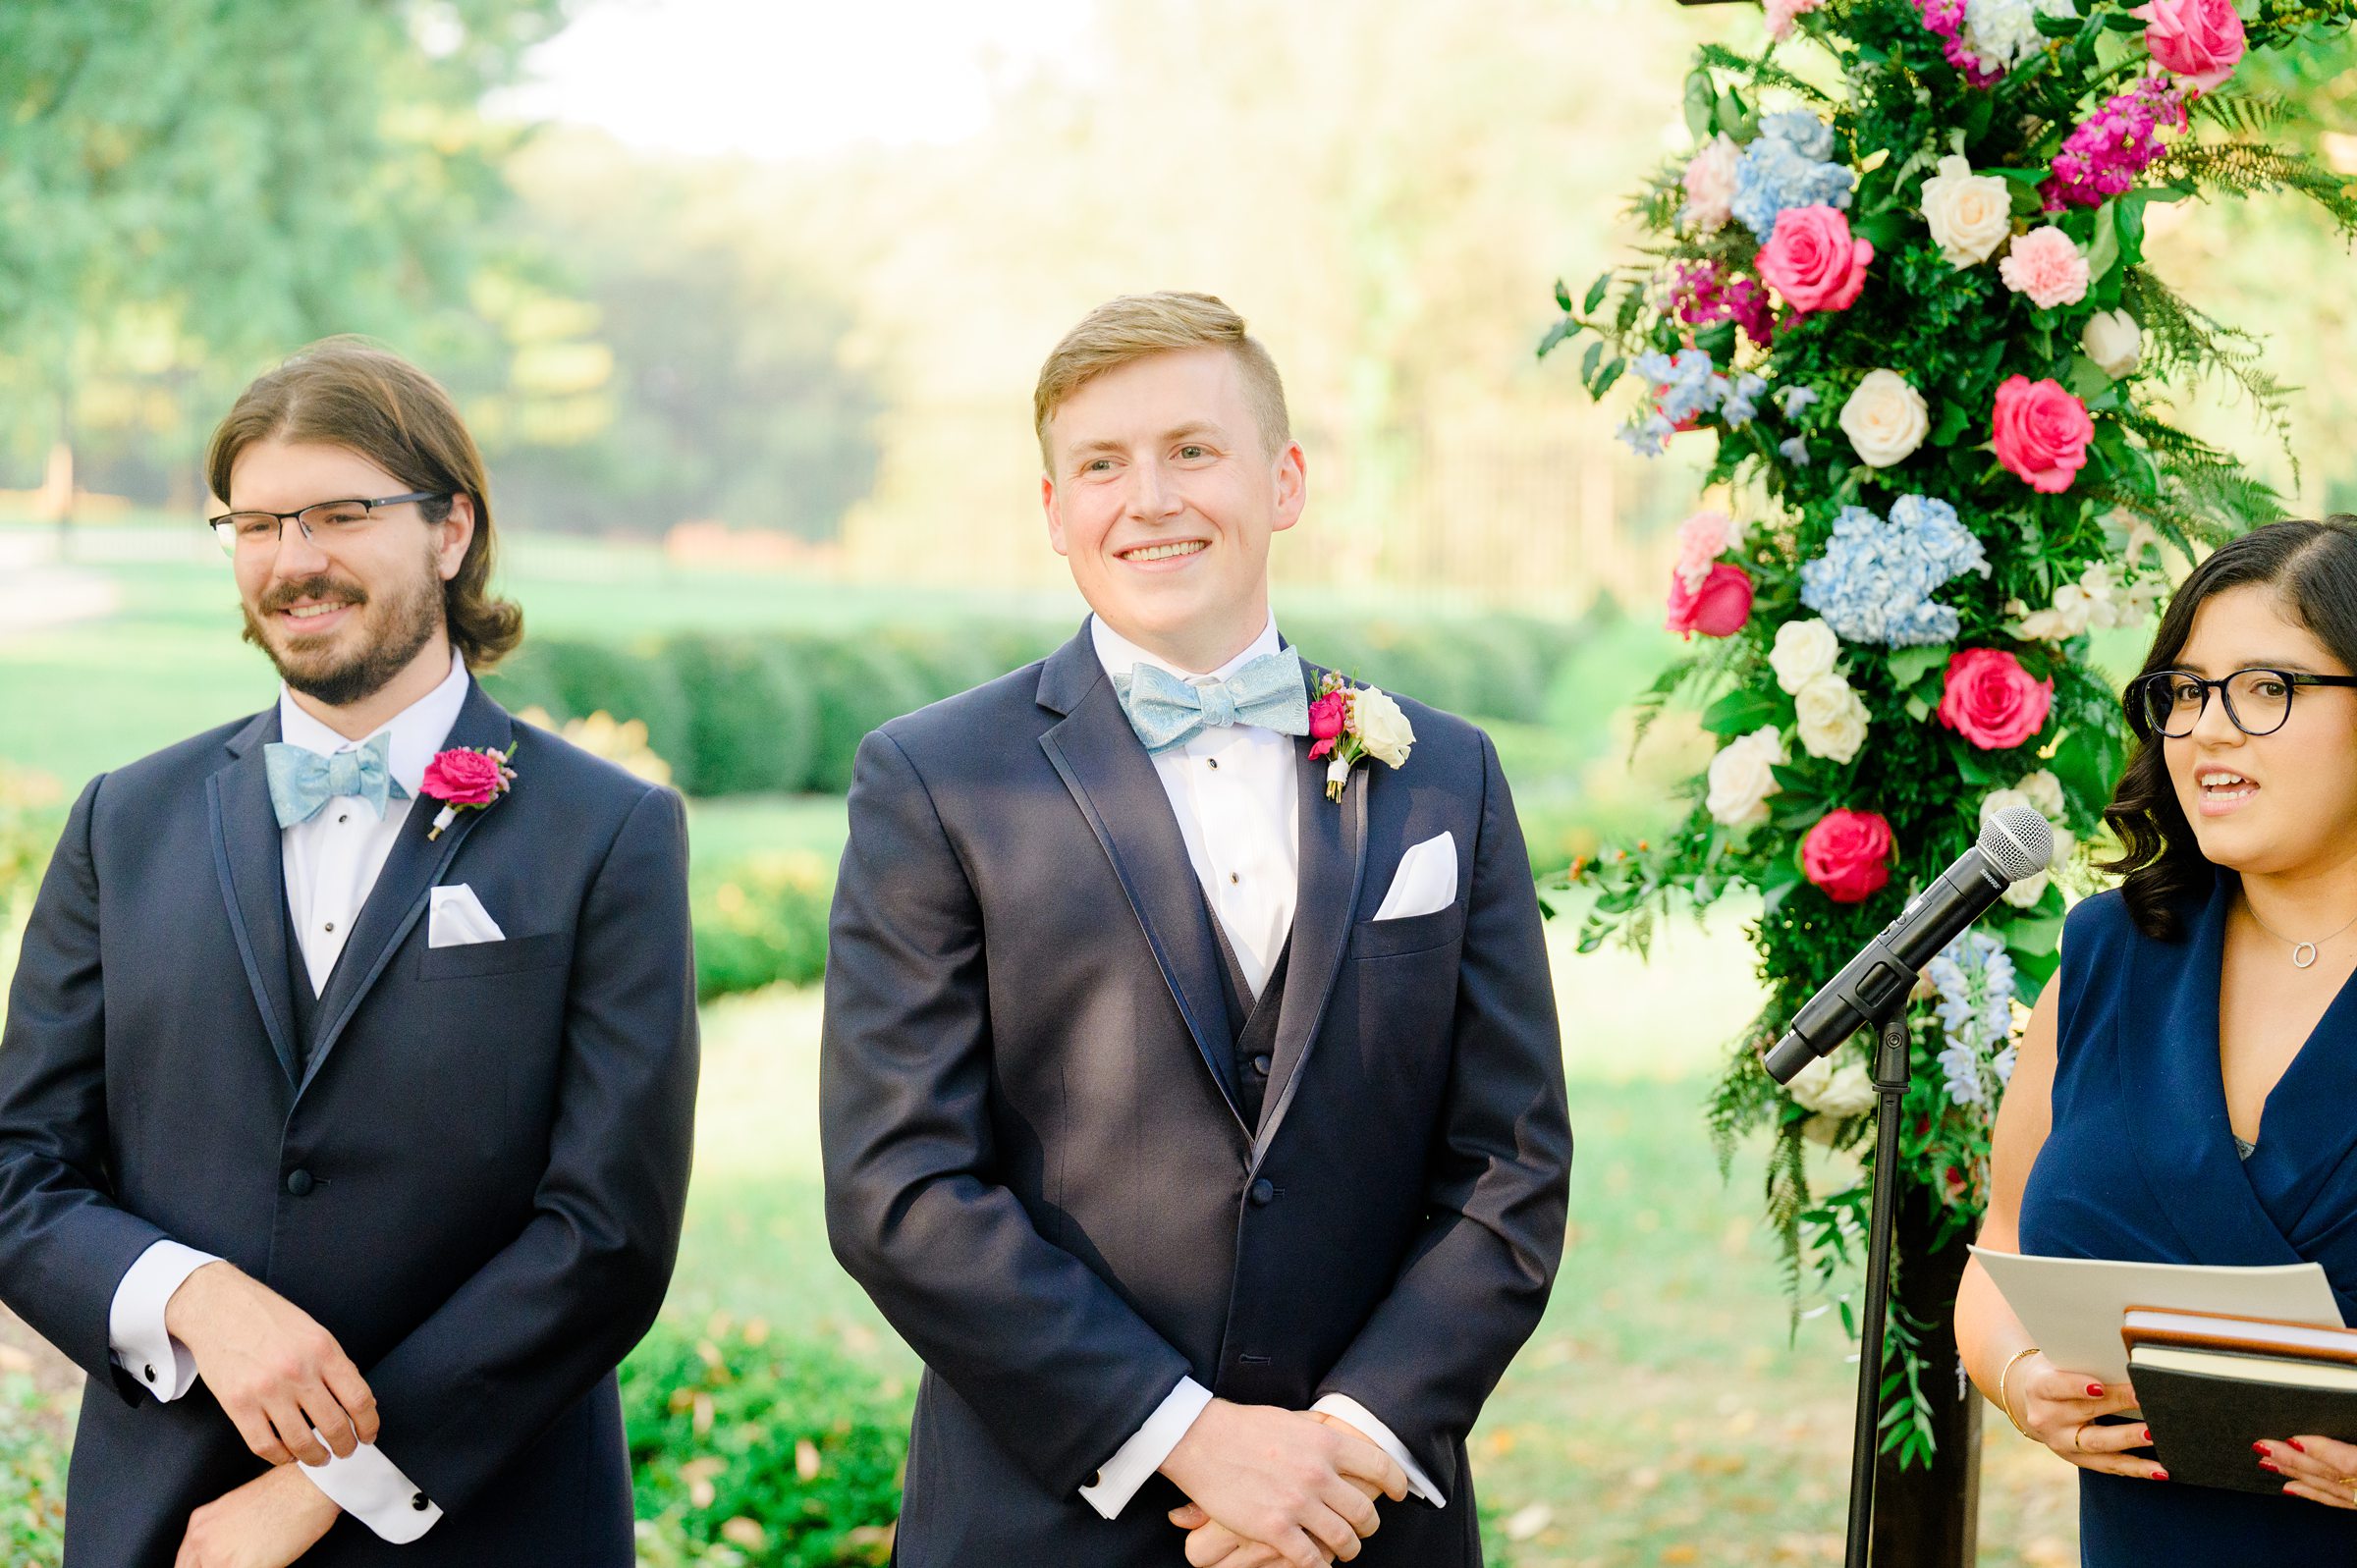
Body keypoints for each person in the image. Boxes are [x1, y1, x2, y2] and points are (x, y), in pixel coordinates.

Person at [820, 291, 1572, 1567]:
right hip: (1040, 1521)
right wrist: (1188, 1436)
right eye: (1103, 465)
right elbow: (899, 1186)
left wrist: (1351, 1441)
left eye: (1193, 451)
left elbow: (1511, 1165)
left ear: (1282, 480)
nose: (1151, 498)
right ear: (1055, 511)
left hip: (1363, 1520)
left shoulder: (1447, 775)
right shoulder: (937, 780)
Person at [0, 339, 698, 1567]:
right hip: (166, 1523)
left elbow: (607, 1232)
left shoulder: (610, 832)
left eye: (340, 513)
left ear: (451, 530)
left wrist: (335, 1480)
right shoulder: (124, 819)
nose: (294, 558)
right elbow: (18, 1171)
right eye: (257, 521)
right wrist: (190, 1295)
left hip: (489, 1520)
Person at [1956, 517, 2357, 1563]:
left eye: (2266, 687)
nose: (2208, 731)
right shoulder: (2107, 951)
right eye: (2183, 692)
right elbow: (1999, 1250)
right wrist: (2020, 1380)